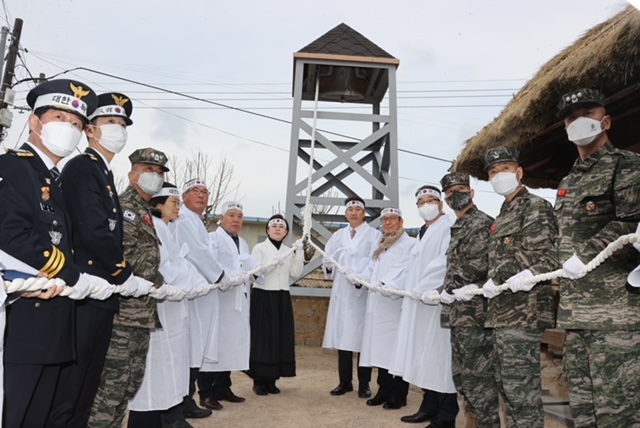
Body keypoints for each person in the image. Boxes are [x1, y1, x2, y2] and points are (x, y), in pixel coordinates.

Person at [0, 79, 111, 427]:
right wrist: (74, 274)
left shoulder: (54, 180)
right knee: (20, 414)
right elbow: (11, 233)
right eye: (61, 117)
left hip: (56, 319)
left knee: (46, 414)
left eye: (77, 124)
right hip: (26, 320)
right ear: (35, 122)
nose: (71, 128)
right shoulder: (13, 168)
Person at [555, 88, 640, 426]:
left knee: (618, 412)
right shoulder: (567, 181)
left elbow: (632, 222)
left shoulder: (628, 166)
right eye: (571, 118)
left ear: (605, 121)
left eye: (587, 114)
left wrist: (584, 254)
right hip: (576, 316)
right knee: (584, 411)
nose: (579, 122)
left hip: (614, 315)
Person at [50, 91, 135, 428]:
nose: (119, 129)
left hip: (102, 292)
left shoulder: (103, 172)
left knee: (88, 382)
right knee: (72, 386)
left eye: (122, 123)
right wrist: (123, 270)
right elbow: (93, 230)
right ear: (90, 130)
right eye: (110, 122)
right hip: (87, 290)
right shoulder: (82, 168)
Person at [89, 147, 169, 428]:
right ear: (133, 174)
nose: (155, 176)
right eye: (149, 170)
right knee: (110, 390)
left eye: (159, 173)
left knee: (128, 386)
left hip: (140, 315)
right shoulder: (124, 208)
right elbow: (123, 256)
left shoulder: (144, 211)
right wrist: (160, 281)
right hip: (121, 315)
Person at [482, 146, 558, 428]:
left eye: (504, 168)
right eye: (492, 171)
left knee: (521, 391)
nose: (498, 175)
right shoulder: (502, 214)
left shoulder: (536, 206)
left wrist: (500, 276)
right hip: (502, 314)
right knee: (507, 387)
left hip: (524, 313)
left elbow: (544, 254)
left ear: (519, 172)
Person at [128, 183, 209, 428]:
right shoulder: (157, 228)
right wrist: (191, 283)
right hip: (162, 305)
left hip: (175, 307)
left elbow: (181, 264)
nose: (178, 208)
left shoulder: (166, 228)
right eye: (174, 203)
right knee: (157, 368)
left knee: (170, 366)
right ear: (158, 205)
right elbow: (165, 267)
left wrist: (196, 280)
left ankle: (169, 415)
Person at [389, 186, 457, 428]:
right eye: (421, 201)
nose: (426, 205)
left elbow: (444, 261)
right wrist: (392, 283)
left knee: (439, 358)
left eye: (432, 200)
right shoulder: (424, 231)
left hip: (434, 301)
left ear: (441, 204)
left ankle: (446, 416)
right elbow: (411, 265)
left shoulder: (448, 227)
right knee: (423, 357)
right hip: (418, 302)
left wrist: (424, 286)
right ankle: (429, 407)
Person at [438, 172, 500, 428]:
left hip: (476, 316)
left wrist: (450, 286)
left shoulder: (483, 223)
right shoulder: (457, 227)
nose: (456, 195)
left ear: (472, 192)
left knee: (480, 383)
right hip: (458, 315)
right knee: (463, 380)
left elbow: (481, 264)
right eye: (451, 192)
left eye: (461, 189)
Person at [172, 178, 227, 416]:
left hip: (201, 291)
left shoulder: (196, 221)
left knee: (196, 346)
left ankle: (186, 399)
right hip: (192, 292)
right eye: (195, 191)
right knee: (190, 346)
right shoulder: (184, 219)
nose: (202, 195)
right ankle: (183, 401)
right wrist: (220, 276)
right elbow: (197, 252)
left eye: (205, 192)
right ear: (184, 196)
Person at [197, 201, 259, 405]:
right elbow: (209, 265)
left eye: (240, 216)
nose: (236, 220)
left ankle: (223, 387)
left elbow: (248, 265)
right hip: (217, 300)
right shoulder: (212, 238)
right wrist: (231, 276)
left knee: (230, 344)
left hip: (236, 301)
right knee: (212, 343)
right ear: (221, 218)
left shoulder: (242, 243)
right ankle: (205, 392)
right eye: (231, 215)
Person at [322, 196, 381, 398]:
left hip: (361, 291)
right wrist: (330, 266)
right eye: (350, 210)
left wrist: (359, 277)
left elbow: (375, 259)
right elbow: (327, 256)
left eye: (357, 209)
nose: (354, 213)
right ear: (346, 214)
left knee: (362, 339)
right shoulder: (338, 235)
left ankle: (364, 383)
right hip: (341, 291)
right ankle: (344, 382)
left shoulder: (374, 235)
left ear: (364, 213)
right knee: (343, 338)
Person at [359, 208, 415, 410]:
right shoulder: (381, 244)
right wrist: (358, 277)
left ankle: (399, 395)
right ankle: (383, 390)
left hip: (394, 304)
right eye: (385, 220)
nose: (388, 223)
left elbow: (406, 270)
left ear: (401, 221)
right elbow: (371, 267)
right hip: (377, 305)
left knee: (396, 351)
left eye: (392, 219)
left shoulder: (410, 244)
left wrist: (386, 284)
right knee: (380, 351)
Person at [248, 214, 304, 395]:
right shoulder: (260, 248)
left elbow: (296, 272)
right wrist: (272, 264)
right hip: (263, 296)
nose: (278, 229)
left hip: (281, 295)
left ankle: (272, 380)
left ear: (286, 232)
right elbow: (255, 273)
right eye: (274, 226)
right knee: (263, 339)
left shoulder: (288, 250)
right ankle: (259, 380)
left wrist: (299, 252)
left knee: (279, 338)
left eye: (281, 227)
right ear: (268, 230)